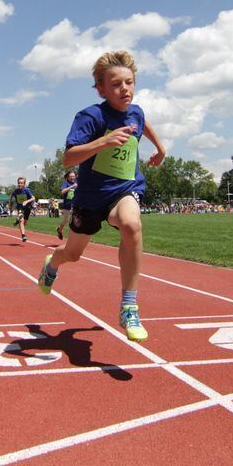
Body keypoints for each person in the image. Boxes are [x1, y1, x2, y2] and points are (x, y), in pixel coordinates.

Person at [37, 50, 165, 341]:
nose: (125, 90)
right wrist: (104, 141)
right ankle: (52, 265)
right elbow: (68, 158)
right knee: (73, 253)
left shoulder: (136, 111)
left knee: (132, 225)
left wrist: (160, 147)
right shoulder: (90, 116)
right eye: (117, 84)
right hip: (91, 197)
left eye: (130, 83)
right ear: (101, 88)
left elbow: (142, 125)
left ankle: (129, 306)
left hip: (125, 188)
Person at [10, 177, 36, 242]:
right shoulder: (16, 191)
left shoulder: (27, 190)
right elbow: (11, 196)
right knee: (21, 220)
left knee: (24, 223)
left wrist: (26, 201)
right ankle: (23, 236)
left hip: (28, 208)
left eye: (21, 183)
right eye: (19, 183)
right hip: (20, 208)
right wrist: (10, 204)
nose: (20, 184)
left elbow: (33, 198)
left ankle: (17, 220)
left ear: (24, 184)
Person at [57, 170, 78, 241]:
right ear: (68, 177)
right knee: (66, 220)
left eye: (73, 176)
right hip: (67, 206)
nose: (72, 178)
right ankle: (59, 230)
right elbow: (62, 192)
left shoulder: (77, 183)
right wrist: (71, 186)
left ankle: (73, 239)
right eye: (71, 176)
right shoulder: (66, 184)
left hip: (75, 206)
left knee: (75, 221)